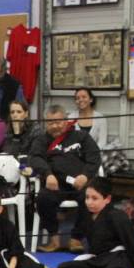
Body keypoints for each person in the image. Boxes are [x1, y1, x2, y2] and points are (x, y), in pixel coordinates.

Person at [24, 104, 101, 253]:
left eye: (58, 122)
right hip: (55, 184)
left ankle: (76, 239)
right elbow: (34, 158)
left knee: (91, 199)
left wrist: (85, 175)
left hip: (80, 183)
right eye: (51, 123)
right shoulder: (41, 140)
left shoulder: (81, 137)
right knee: (42, 199)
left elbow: (94, 157)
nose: (55, 126)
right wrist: (48, 174)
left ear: (66, 121)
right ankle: (54, 240)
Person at [67, 87, 108, 151]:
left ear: (91, 99)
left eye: (84, 97)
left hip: (95, 154)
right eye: (78, 98)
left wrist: (92, 153)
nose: (80, 100)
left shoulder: (100, 118)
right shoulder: (70, 118)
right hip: (75, 155)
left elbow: (102, 142)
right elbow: (69, 141)